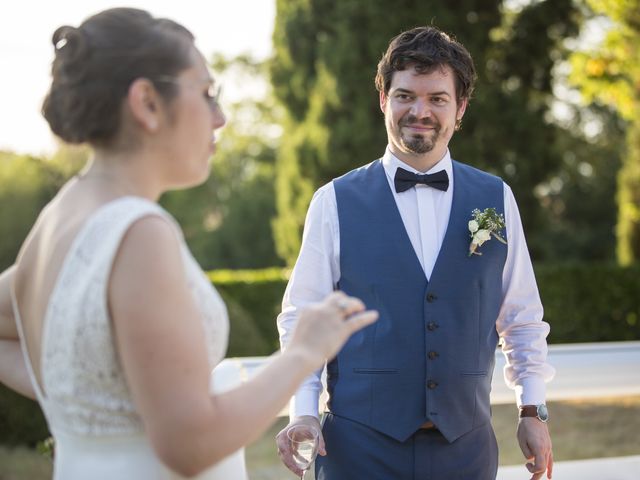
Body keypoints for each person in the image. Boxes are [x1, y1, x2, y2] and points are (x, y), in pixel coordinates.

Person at [0, 8, 378, 480]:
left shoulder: (56, 218)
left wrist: (83, 395)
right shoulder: (139, 233)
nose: (219, 118)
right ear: (147, 103)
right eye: (206, 93)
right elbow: (189, 445)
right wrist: (303, 352)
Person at [276, 26, 555, 480]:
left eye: (437, 99)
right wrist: (303, 410)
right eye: (405, 95)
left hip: (465, 452)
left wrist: (532, 408)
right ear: (384, 99)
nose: (420, 111)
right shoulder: (333, 200)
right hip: (356, 450)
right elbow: (300, 318)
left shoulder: (495, 199)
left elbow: (521, 316)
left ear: (460, 108)